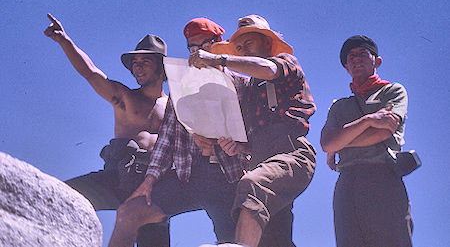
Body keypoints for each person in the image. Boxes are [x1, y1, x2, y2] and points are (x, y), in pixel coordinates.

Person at [108, 17, 246, 247]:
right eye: (192, 47)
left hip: (228, 179)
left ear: (220, 43)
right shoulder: (181, 85)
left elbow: (251, 136)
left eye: (205, 44)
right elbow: (166, 139)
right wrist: (148, 182)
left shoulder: (241, 85)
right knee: (128, 213)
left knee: (231, 243)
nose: (198, 52)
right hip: (188, 176)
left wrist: (235, 146)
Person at [43, 13, 170, 247]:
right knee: (59, 196)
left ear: (161, 67)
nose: (137, 66)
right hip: (119, 177)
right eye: (135, 62)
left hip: (155, 188)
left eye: (145, 61)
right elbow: (91, 73)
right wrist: (65, 41)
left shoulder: (176, 108)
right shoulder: (124, 98)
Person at [190, 14, 317, 247]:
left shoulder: (285, 62)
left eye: (248, 43)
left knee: (251, 185)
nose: (243, 50)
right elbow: (251, 138)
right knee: (275, 238)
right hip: (260, 159)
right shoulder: (249, 90)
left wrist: (217, 59)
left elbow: (268, 69)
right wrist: (238, 146)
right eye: (239, 47)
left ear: (266, 43)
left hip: (292, 154)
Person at [320, 35, 413, 247]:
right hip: (347, 182)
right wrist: (369, 120)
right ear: (346, 66)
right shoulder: (339, 106)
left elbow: (383, 133)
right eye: (351, 56)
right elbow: (326, 144)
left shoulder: (392, 91)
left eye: (363, 53)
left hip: (383, 177)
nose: (356, 59)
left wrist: (341, 142)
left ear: (376, 61)